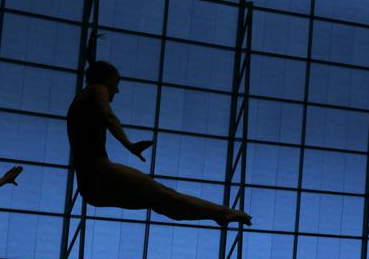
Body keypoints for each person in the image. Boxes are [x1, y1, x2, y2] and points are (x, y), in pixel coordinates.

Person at [67, 32, 252, 226]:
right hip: (100, 175)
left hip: (90, 187)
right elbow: (109, 117)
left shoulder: (82, 99)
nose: (117, 89)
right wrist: (130, 145)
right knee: (163, 195)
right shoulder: (97, 90)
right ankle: (221, 213)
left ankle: (219, 213)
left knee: (162, 199)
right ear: (105, 80)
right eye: (116, 82)